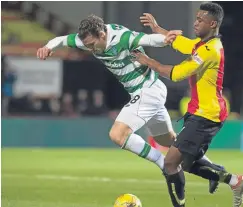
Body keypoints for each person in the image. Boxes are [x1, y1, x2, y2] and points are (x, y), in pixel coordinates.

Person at [37, 14, 223, 193]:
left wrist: (165, 39)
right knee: (169, 141)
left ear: (102, 34)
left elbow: (148, 40)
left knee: (118, 134)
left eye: (93, 45)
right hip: (151, 90)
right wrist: (48, 46)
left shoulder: (122, 37)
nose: (91, 49)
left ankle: (163, 165)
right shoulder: (86, 39)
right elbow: (61, 39)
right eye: (87, 46)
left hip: (147, 91)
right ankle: (214, 171)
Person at [133, 3, 243, 207]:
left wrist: (147, 61)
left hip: (207, 115)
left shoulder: (209, 50)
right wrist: (158, 29)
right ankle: (232, 180)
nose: (195, 23)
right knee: (185, 163)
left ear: (213, 24)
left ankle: (219, 183)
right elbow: (179, 43)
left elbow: (176, 73)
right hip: (200, 112)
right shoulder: (201, 44)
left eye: (200, 20)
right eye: (196, 18)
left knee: (170, 163)